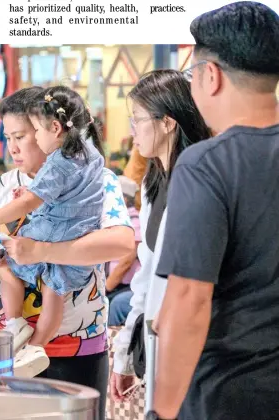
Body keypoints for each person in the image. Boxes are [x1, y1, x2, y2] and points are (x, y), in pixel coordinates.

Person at [0, 87, 135, 420]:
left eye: (22, 135)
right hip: (8, 348)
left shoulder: (96, 179)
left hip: (77, 345)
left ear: (48, 129)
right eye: (7, 137)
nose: (12, 147)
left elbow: (121, 243)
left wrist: (41, 250)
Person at [149, 3, 279, 420]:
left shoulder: (208, 163)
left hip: (230, 392)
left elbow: (189, 298)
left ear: (211, 75)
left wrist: (162, 412)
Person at [109, 70, 211, 403]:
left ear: (167, 122)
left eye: (137, 119)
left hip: (198, 354)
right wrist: (124, 355)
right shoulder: (152, 186)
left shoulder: (201, 184)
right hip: (156, 344)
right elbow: (147, 278)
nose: (132, 131)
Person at [106, 176, 141, 327]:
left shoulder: (135, 222)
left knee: (113, 305)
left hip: (124, 286)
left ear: (124, 200)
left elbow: (126, 262)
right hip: (114, 285)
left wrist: (106, 287)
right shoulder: (118, 222)